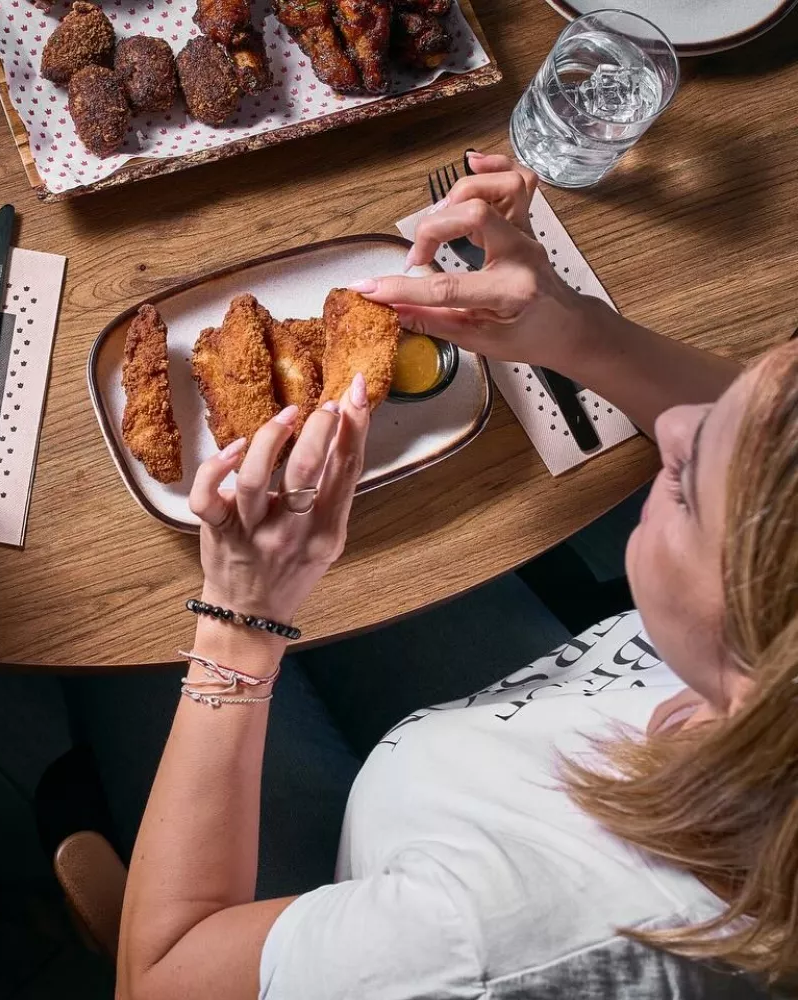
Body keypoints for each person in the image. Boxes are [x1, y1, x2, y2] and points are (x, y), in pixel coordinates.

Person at [104, 154, 790, 998]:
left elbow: (159, 977)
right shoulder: (758, 672)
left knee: (119, 649)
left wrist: (237, 629)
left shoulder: (499, 940)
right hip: (487, 725)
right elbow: (752, 438)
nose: (681, 425)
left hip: (340, 906)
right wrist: (572, 329)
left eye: (685, 485)